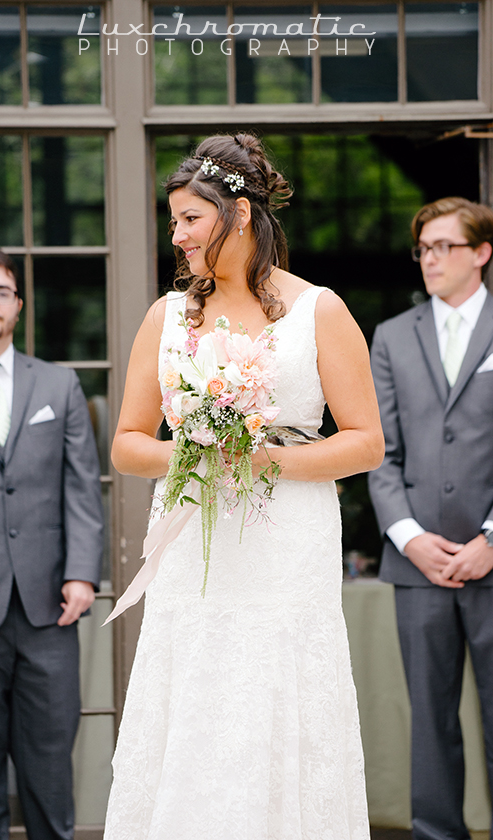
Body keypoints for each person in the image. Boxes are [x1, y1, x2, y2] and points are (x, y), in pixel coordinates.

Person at [104, 133, 384, 840]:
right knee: (197, 692)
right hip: (196, 543)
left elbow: (366, 442)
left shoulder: (321, 310)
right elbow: (129, 444)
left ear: (240, 213)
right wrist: (194, 448)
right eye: (174, 223)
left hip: (285, 543)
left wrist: (264, 462)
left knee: (277, 690)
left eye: (190, 220)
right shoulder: (166, 317)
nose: (179, 236)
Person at [0, 246, 104, 840]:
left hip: (49, 608)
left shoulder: (59, 385)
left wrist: (83, 572)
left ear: (18, 305)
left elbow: (81, 488)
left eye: (1, 293)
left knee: (49, 773)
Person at [368, 197, 493, 840]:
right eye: (423, 248)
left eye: (444, 246)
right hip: (417, 567)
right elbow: (377, 451)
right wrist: (411, 540)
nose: (430, 259)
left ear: (482, 253)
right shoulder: (390, 336)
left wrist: (492, 541)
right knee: (430, 722)